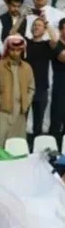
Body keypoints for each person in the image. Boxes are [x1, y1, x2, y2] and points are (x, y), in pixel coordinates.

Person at [26, 17, 57, 144]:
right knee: (21, 119)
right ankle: (22, 146)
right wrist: (22, 17)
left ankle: (36, 147)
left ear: (44, 30)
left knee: (38, 122)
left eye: (39, 25)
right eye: (34, 25)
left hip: (41, 87)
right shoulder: (26, 43)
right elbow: (12, 34)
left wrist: (47, 23)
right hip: (25, 86)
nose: (36, 27)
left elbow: (55, 40)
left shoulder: (47, 45)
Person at [50, 18, 65, 146]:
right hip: (60, 85)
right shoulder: (56, 44)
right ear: (60, 30)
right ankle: (53, 147)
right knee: (57, 117)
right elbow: (63, 57)